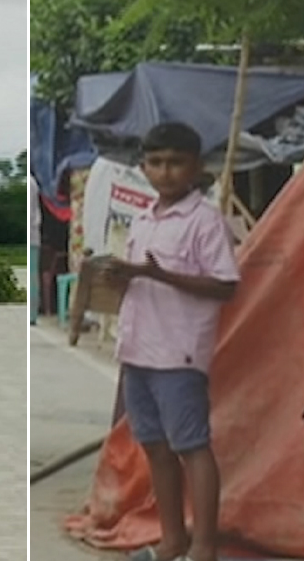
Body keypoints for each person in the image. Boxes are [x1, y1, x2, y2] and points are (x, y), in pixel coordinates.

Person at [97, 121, 239, 561]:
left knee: (191, 447)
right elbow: (141, 280)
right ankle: (172, 539)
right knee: (155, 448)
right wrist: (121, 277)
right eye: (156, 163)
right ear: (143, 167)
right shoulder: (142, 218)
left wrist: (158, 275)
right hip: (139, 349)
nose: (166, 172)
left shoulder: (204, 221)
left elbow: (226, 286)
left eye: (176, 163)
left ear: (196, 167)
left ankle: (204, 547)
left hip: (178, 353)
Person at [30, 176, 41, 325]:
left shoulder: (31, 183)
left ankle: (31, 314)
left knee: (32, 277)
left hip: (31, 235)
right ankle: (32, 314)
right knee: (33, 276)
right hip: (33, 235)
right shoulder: (33, 183)